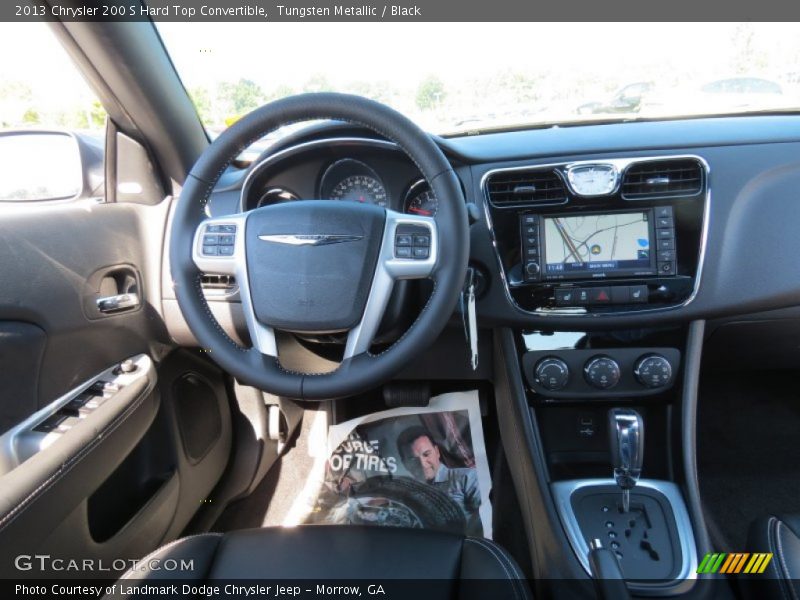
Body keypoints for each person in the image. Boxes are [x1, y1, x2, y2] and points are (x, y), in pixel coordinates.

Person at [397, 426, 482, 535]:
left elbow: (488, 521)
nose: (423, 464)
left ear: (437, 452)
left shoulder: (467, 477)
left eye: (426, 454)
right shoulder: (405, 495)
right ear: (405, 464)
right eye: (413, 459)